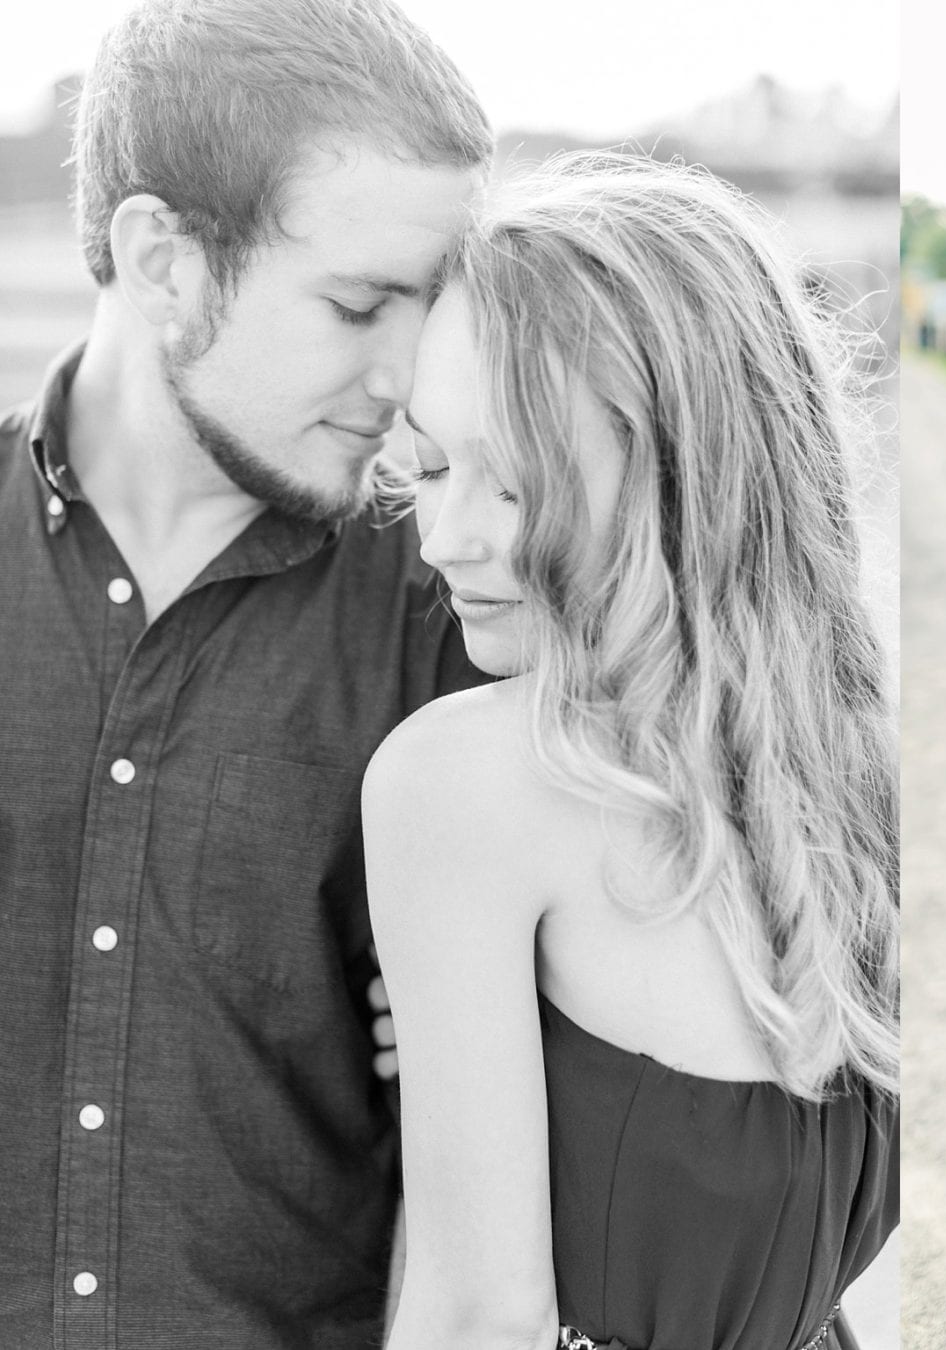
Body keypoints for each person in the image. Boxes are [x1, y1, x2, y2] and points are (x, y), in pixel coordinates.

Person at [0, 1, 492, 1344]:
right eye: (357, 303)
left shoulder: (459, 613)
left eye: (428, 306)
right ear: (165, 259)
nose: (404, 376)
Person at [362, 152, 900, 1350]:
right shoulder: (873, 783)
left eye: (516, 482)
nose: (444, 538)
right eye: (434, 464)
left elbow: (478, 1318)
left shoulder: (461, 782)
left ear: (682, 473)